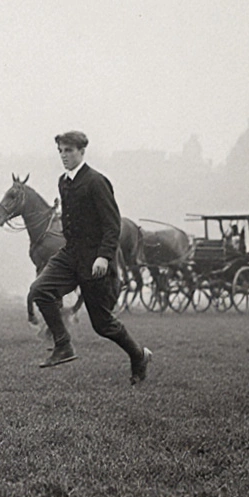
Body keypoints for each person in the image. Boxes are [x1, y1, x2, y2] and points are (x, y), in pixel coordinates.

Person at [27, 131, 151, 382]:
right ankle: (63, 346)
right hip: (70, 254)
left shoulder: (96, 181)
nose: (64, 155)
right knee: (40, 290)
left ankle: (138, 355)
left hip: (96, 261)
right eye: (61, 151)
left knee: (103, 324)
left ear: (82, 152)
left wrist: (104, 257)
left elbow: (112, 224)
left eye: (69, 151)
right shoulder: (64, 181)